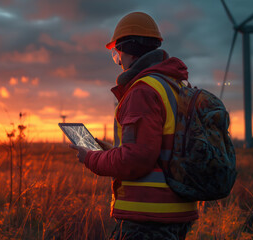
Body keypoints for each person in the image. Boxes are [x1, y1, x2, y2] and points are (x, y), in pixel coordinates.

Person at [70, 12, 198, 240]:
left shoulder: (142, 91)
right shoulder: (175, 85)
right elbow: (156, 150)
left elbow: (136, 161)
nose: (118, 62)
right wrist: (112, 151)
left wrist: (90, 158)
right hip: (177, 212)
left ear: (128, 50)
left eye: (116, 55)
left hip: (148, 217)